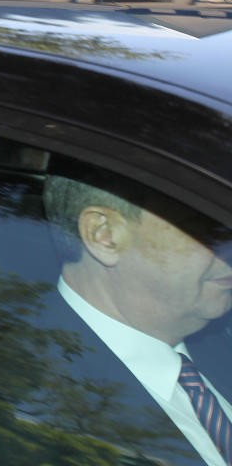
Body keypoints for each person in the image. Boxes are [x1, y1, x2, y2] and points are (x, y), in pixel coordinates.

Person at [43, 173, 232, 466]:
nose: (228, 245)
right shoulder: (38, 398)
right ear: (104, 236)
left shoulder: (220, 341)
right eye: (211, 226)